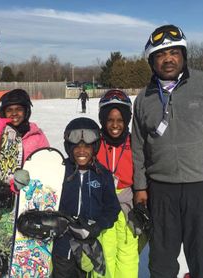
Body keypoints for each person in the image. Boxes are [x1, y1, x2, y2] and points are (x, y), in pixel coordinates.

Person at [131, 24, 203, 278]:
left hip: (202, 187)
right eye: (161, 55)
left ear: (183, 55)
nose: (168, 59)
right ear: (152, 61)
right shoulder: (144, 99)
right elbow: (139, 147)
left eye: (174, 52)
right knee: (161, 261)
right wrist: (140, 189)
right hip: (161, 190)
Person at [52, 117, 121, 278]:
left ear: (95, 146)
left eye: (87, 146)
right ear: (69, 146)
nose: (81, 151)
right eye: (76, 146)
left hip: (89, 243)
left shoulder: (102, 174)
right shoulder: (60, 171)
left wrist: (98, 226)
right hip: (63, 243)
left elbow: (112, 208)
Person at [95, 89, 138, 278]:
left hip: (127, 205)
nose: (115, 125)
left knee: (127, 254)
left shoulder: (134, 143)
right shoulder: (94, 142)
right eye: (110, 120)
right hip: (102, 204)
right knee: (104, 252)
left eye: (120, 120)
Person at [0, 88, 49, 174]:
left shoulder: (36, 136)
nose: (14, 113)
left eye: (19, 109)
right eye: (9, 110)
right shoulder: (0, 134)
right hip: (3, 186)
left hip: (30, 186)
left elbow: (47, 166)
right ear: (3, 113)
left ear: (26, 111)